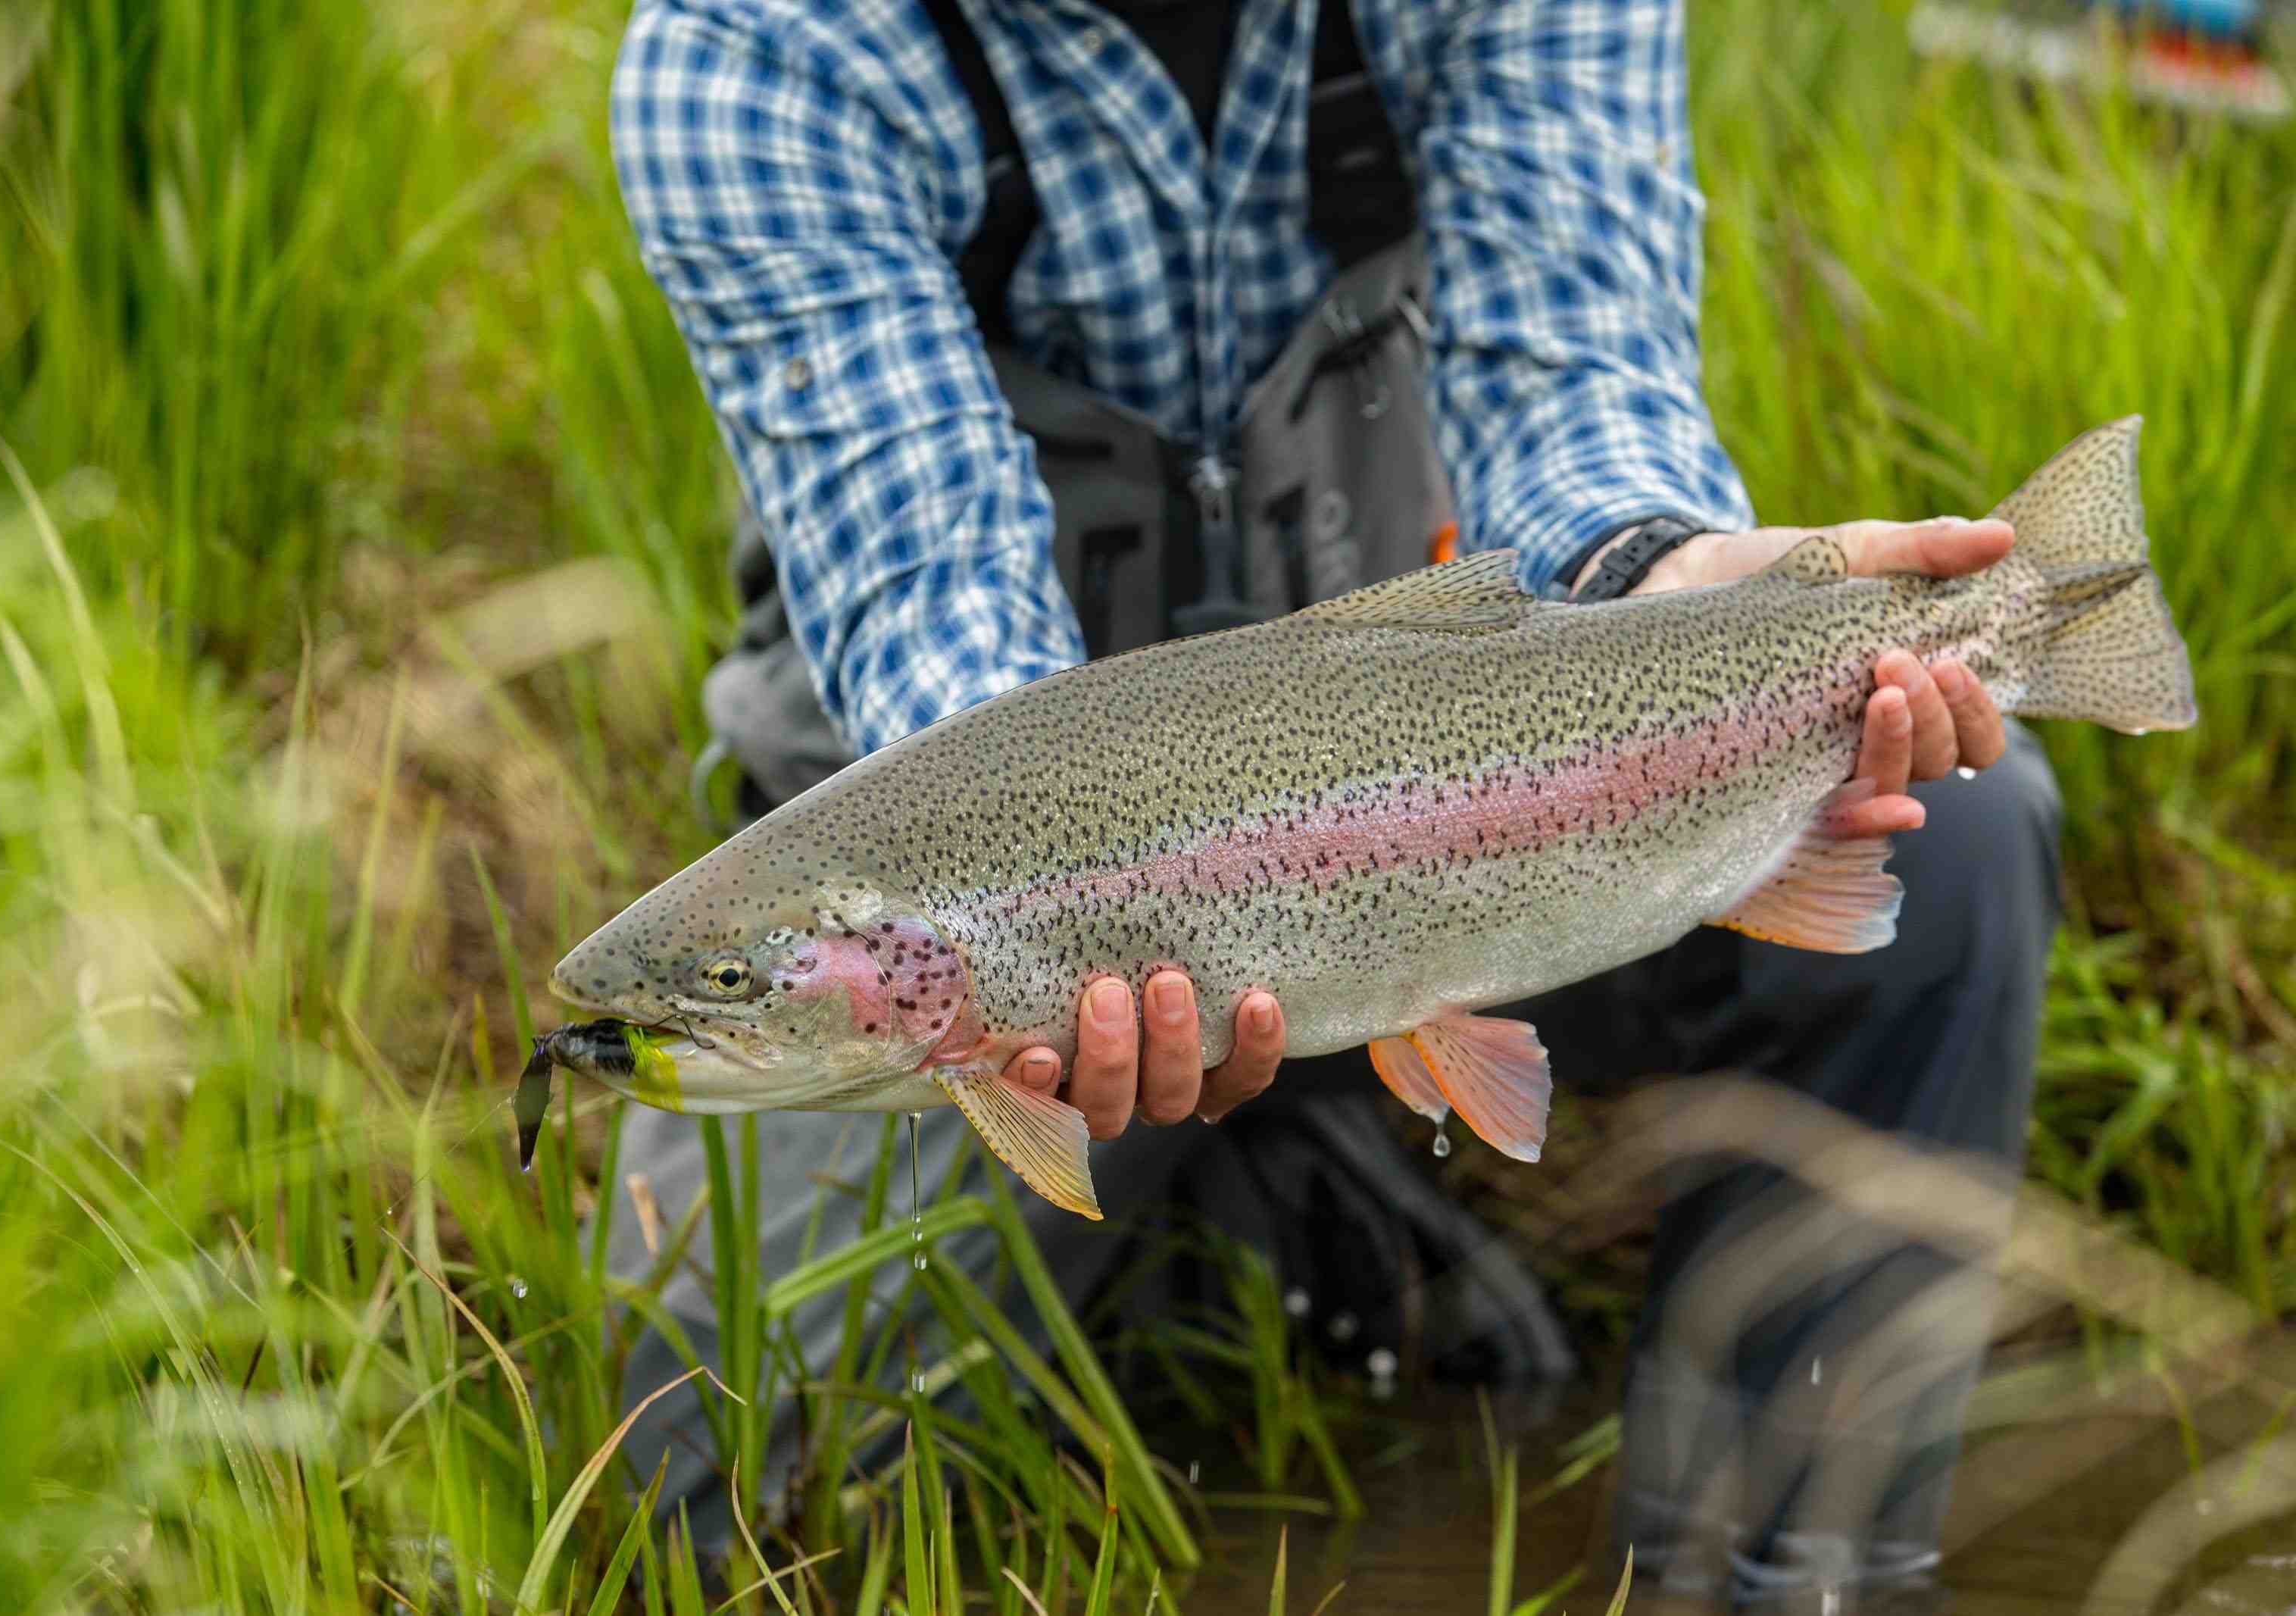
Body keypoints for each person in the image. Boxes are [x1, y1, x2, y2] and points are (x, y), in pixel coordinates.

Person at [601, 0, 2060, 1604]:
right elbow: (936, 614)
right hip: (962, 811)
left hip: (1467, 780)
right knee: (704, 1463)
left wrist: (1683, 585)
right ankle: (1263, 1193)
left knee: (1964, 828)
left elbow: (1573, 394)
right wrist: (1051, 919)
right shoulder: (754, 55)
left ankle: (1787, 1574)